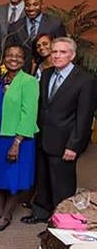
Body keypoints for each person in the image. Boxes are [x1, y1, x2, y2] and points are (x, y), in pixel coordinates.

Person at [21, 37, 97, 224]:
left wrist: (74, 146)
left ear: (72, 55)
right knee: (43, 178)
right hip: (43, 137)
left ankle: (62, 222)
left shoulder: (85, 80)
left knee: (61, 184)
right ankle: (41, 212)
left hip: (65, 142)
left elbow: (84, 117)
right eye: (54, 51)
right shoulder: (46, 74)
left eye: (63, 52)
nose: (57, 55)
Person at [0, 44, 39, 232]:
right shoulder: (2, 80)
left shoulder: (29, 81)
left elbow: (29, 114)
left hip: (19, 139)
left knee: (15, 178)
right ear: (4, 58)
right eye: (9, 55)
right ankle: (0, 211)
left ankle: (7, 213)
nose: (13, 59)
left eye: (18, 56)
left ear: (24, 60)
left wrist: (17, 142)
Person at [6, 0, 66, 72]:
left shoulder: (55, 24)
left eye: (35, 5)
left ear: (42, 5)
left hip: (48, 69)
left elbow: (63, 49)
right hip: (22, 71)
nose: (31, 8)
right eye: (28, 5)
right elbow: (10, 50)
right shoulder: (15, 26)